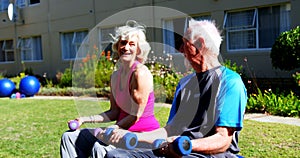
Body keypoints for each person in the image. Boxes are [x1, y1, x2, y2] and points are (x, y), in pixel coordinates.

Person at [105, 19, 247, 158]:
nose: (180, 49)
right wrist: (131, 135)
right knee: (114, 155)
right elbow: (170, 130)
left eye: (184, 44)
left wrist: (185, 145)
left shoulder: (230, 82)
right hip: (176, 150)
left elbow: (223, 140)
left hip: (210, 154)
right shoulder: (185, 83)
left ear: (200, 44)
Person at [60, 20, 160, 158]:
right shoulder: (115, 76)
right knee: (69, 137)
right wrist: (84, 119)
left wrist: (114, 128)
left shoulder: (140, 73)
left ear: (138, 50)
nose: (126, 47)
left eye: (132, 44)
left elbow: (135, 115)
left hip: (140, 135)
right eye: (123, 43)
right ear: (117, 47)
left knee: (100, 147)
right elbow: (114, 112)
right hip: (118, 131)